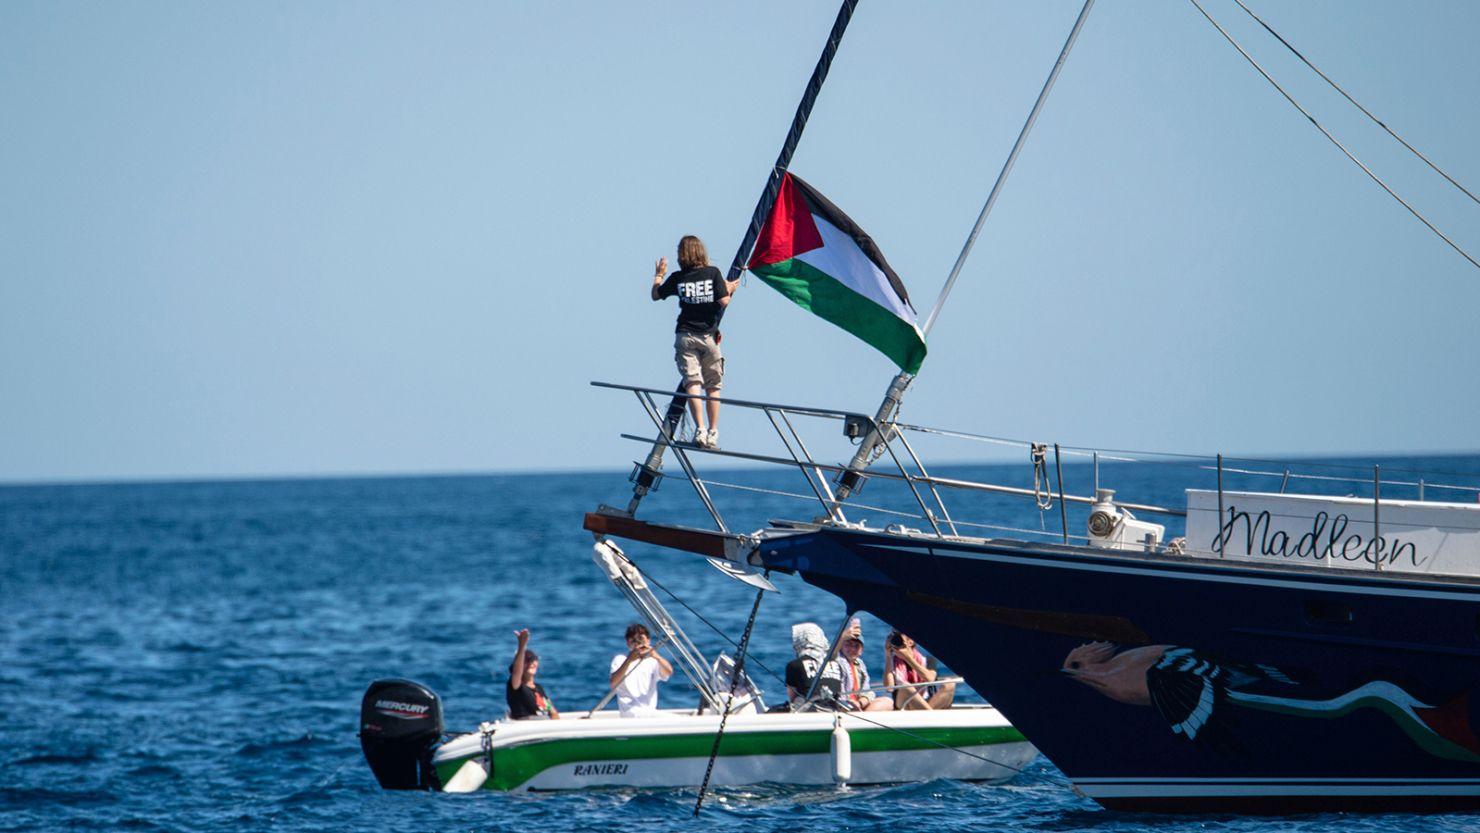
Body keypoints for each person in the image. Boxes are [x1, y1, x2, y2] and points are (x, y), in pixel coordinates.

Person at [650, 235, 738, 449]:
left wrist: (658, 275)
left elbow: (655, 295)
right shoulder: (713, 273)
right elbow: (724, 301)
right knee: (713, 386)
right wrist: (730, 288)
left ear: (681, 255)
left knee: (693, 384)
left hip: (685, 336)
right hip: (709, 337)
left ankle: (699, 430)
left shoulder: (678, 278)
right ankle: (713, 432)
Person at [608, 623, 672, 717]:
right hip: (630, 713)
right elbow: (613, 683)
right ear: (628, 643)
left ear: (648, 640)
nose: (638, 643)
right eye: (633, 640)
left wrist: (656, 656)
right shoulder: (620, 659)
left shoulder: (652, 661)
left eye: (641, 639)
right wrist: (629, 660)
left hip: (649, 712)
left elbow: (668, 672)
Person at [884, 630, 956, 710]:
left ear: (910, 642)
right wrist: (888, 656)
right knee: (906, 687)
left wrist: (908, 658)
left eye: (899, 638)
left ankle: (928, 715)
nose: (897, 641)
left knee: (949, 683)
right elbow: (889, 688)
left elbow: (930, 679)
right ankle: (932, 717)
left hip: (929, 702)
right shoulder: (892, 662)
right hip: (903, 704)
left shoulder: (927, 660)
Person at [837, 618, 894, 712]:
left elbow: (867, 692)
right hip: (842, 704)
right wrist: (843, 636)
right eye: (848, 644)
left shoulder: (860, 665)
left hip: (857, 704)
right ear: (841, 646)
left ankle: (861, 719)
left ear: (861, 650)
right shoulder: (837, 660)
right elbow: (832, 655)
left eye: (856, 646)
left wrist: (859, 703)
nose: (852, 649)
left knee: (887, 701)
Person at [785, 622, 844, 711]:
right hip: (833, 712)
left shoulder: (794, 665)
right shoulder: (837, 665)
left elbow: (792, 697)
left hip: (808, 714)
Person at [506, 628, 559, 720]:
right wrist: (522, 645)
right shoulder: (517, 686)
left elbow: (553, 712)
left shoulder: (538, 688)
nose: (532, 663)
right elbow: (517, 671)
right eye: (527, 660)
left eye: (534, 659)